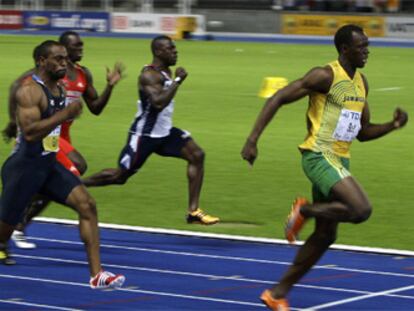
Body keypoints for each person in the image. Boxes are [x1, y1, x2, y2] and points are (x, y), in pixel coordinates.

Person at [241, 24, 408, 310]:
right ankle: (303, 210)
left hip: (339, 159)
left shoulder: (361, 83)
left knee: (325, 235)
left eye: (368, 45)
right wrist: (252, 140)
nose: (367, 50)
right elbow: (278, 97)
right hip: (319, 155)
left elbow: (363, 132)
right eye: (362, 46)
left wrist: (392, 126)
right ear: (345, 49)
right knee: (360, 209)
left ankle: (277, 294)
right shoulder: (325, 75)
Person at [0, 40, 126, 289]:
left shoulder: (59, 87)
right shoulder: (30, 91)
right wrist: (64, 115)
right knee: (3, 233)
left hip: (49, 164)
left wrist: (107, 86)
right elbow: (31, 133)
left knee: (87, 205)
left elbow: (90, 104)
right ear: (41, 61)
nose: (64, 63)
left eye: (65, 58)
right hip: (24, 168)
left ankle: (97, 275)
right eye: (58, 58)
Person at [83, 35, 219, 225]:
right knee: (120, 176)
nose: (175, 51)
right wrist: (178, 80)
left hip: (164, 133)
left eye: (174, 48)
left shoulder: (166, 72)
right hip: (144, 135)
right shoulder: (148, 75)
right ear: (158, 52)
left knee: (197, 155)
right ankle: (76, 184)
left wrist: (174, 79)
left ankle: (193, 211)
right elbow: (158, 103)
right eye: (170, 49)